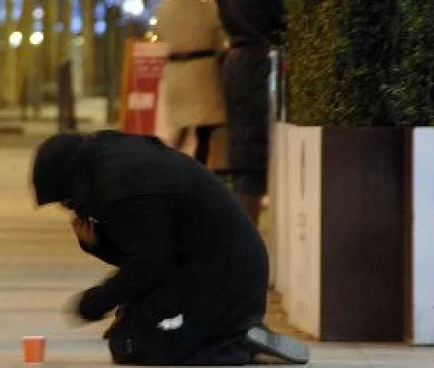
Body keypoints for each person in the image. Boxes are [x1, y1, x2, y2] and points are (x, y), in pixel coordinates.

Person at [31, 130, 309, 365]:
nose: (70, 209)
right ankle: (231, 330)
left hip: (226, 275)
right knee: (128, 330)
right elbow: (146, 251)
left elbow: (150, 263)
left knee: (133, 346)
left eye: (66, 201)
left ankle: (236, 344)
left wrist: (96, 301)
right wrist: (96, 244)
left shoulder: (123, 184)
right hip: (210, 267)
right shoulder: (110, 159)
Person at [215, 0, 286, 226]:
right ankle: (246, 239)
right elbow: (280, 16)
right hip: (261, 62)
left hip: (238, 62)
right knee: (253, 156)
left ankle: (242, 236)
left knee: (245, 155)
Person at [155, 0, 227, 165]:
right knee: (204, 130)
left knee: (179, 127)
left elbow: (160, 33)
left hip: (175, 70)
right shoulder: (207, 8)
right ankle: (198, 167)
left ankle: (168, 163)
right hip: (202, 72)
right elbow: (218, 38)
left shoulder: (164, 8)